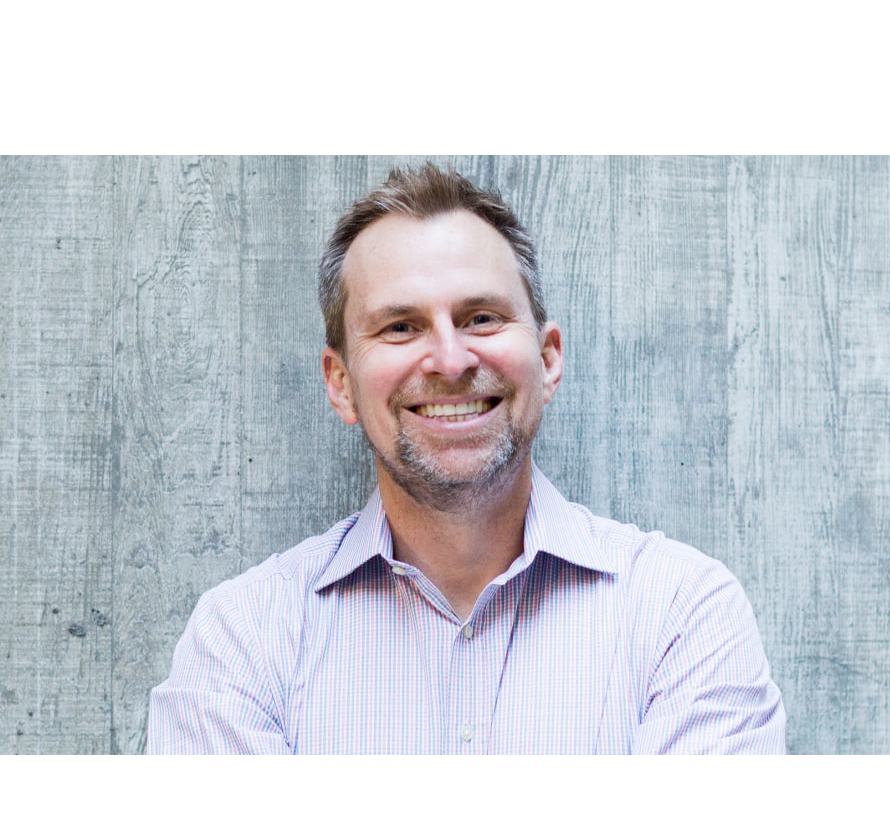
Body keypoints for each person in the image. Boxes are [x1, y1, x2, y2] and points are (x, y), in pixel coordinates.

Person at [147, 164, 786, 754]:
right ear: (340, 384)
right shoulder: (242, 641)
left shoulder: (682, 614)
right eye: (400, 327)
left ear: (548, 359)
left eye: (481, 317)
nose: (451, 361)